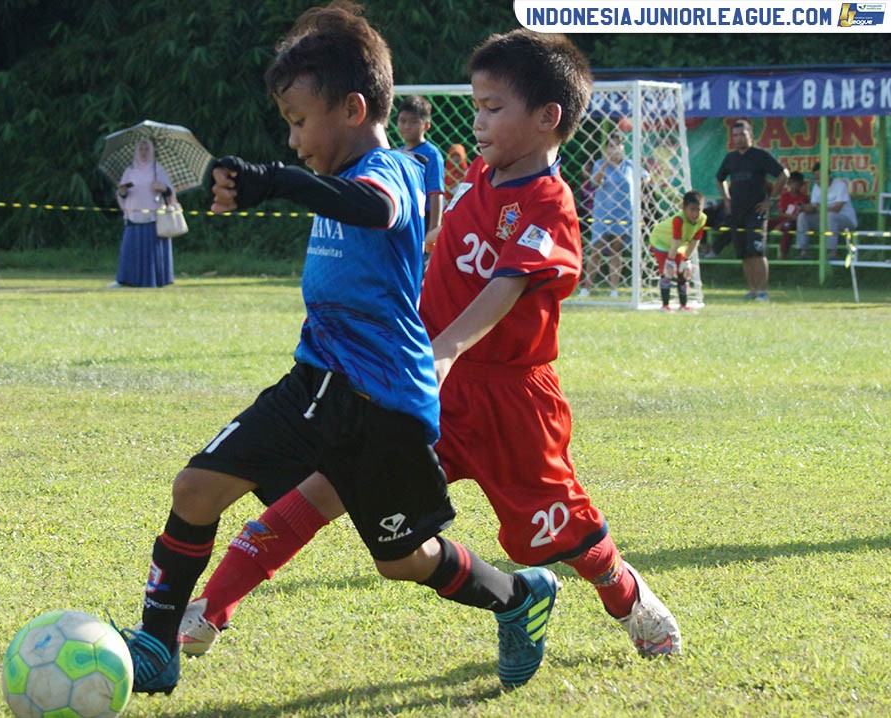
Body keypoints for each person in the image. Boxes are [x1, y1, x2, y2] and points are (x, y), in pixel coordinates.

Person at [178, 28, 682, 668]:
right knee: (322, 489)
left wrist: (443, 350)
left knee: (557, 531)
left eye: (493, 107)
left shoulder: (550, 204)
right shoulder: (475, 178)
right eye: (477, 105)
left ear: (547, 118)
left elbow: (504, 288)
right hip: (418, 388)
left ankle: (626, 594)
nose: (478, 121)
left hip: (510, 405)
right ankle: (209, 610)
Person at [117, 3, 558, 696]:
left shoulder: (396, 171)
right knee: (195, 489)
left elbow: (373, 207)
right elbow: (335, 199)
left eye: (299, 122)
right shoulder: (335, 177)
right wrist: (278, 182)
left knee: (403, 559)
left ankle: (517, 596)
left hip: (383, 406)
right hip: (314, 383)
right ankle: (155, 646)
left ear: (353, 109)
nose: (293, 140)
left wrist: (276, 181)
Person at [715, 119, 788, 301]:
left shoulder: (760, 156)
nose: (739, 138)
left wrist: (771, 200)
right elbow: (719, 178)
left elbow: (783, 174)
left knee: (757, 252)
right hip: (737, 212)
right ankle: (753, 290)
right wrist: (727, 199)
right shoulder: (730, 158)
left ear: (750, 135)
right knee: (744, 253)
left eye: (742, 134)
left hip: (756, 212)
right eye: (735, 135)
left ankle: (763, 292)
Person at [578, 132, 640, 299]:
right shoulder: (600, 164)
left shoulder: (630, 165)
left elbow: (646, 179)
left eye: (618, 145)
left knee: (615, 250)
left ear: (623, 147)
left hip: (623, 214)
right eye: (611, 146)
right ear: (606, 149)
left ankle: (614, 289)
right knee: (596, 248)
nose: (615, 149)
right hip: (603, 213)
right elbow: (594, 182)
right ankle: (586, 288)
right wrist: (606, 163)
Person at [111, 137, 176, 287]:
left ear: (152, 151)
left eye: (147, 149)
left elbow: (170, 192)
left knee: (151, 251)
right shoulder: (130, 171)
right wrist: (122, 191)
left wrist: (162, 188)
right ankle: (125, 280)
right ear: (136, 151)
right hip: (133, 215)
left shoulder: (158, 169)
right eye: (141, 149)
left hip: (153, 217)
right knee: (129, 249)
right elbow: (123, 193)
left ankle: (155, 280)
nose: (143, 152)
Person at [395, 95, 446, 244]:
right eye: (403, 121)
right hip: (403, 217)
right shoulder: (397, 153)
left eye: (413, 121)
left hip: (423, 217)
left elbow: (436, 193)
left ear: (427, 125)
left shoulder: (431, 154)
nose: (407, 126)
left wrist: (433, 228)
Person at [648, 190, 707, 312]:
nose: (695, 213)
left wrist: (686, 259)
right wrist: (670, 260)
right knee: (668, 272)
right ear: (683, 208)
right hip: (661, 242)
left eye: (698, 209)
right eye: (692, 209)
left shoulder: (702, 219)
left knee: (684, 272)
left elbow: (695, 240)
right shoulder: (678, 220)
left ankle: (683, 306)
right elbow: (676, 240)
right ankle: (665, 306)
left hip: (678, 245)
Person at [795, 162, 857, 260]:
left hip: (845, 220)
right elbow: (814, 206)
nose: (818, 181)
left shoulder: (840, 185)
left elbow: (837, 209)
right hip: (824, 219)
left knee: (830, 216)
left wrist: (818, 209)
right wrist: (805, 208)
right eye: (816, 179)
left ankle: (832, 252)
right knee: (802, 216)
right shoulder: (816, 187)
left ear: (828, 175)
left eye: (819, 178)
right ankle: (803, 251)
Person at [770, 171, 808, 258]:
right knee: (764, 224)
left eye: (796, 183)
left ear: (801, 184)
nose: (793, 186)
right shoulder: (785, 196)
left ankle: (782, 254)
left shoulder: (803, 198)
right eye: (791, 183)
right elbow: (780, 213)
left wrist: (785, 221)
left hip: (793, 223)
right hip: (782, 220)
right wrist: (782, 222)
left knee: (787, 228)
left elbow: (799, 216)